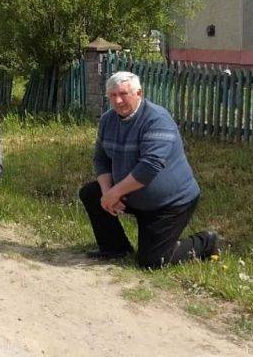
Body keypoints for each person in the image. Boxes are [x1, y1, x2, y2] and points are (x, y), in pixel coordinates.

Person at [79, 71, 220, 269]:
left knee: (152, 262)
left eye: (123, 94)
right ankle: (115, 248)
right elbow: (101, 159)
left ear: (139, 93)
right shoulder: (107, 120)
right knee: (91, 193)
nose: (118, 101)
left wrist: (115, 192)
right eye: (112, 95)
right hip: (133, 197)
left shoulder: (157, 119)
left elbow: (149, 167)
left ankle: (207, 241)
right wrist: (107, 193)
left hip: (169, 203)